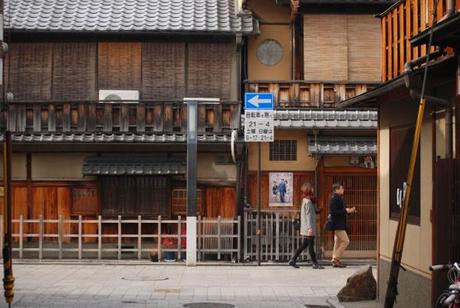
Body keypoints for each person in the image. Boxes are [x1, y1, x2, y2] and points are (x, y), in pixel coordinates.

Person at [288, 182, 323, 269]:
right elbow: (308, 215)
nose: (313, 189)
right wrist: (309, 228)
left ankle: (293, 260)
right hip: (308, 227)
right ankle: (315, 263)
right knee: (310, 245)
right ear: (308, 190)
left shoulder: (307, 200)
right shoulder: (307, 201)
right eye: (311, 188)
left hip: (308, 227)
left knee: (304, 245)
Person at [329, 183, 356, 268]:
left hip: (338, 223)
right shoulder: (335, 199)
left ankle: (334, 258)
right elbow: (334, 212)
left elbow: (339, 211)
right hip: (338, 224)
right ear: (337, 190)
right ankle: (336, 258)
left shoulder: (337, 198)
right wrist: (346, 211)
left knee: (337, 242)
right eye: (341, 188)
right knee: (345, 241)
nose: (343, 189)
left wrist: (348, 211)